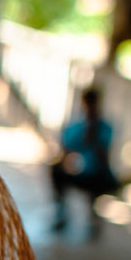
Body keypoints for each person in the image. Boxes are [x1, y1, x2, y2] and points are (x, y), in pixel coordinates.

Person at [51, 87, 118, 236]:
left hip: (97, 176)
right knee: (55, 169)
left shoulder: (104, 128)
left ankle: (93, 219)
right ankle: (61, 214)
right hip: (80, 173)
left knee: (98, 183)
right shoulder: (79, 126)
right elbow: (66, 148)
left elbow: (104, 156)